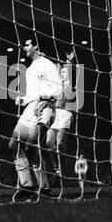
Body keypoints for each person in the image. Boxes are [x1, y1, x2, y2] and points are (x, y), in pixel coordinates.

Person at [8, 38, 62, 196]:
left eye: (27, 44)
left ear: (36, 46)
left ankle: (44, 187)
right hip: (31, 109)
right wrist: (22, 99)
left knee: (31, 146)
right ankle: (27, 185)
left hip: (45, 109)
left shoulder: (47, 64)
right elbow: (32, 95)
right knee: (13, 144)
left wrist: (45, 97)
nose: (24, 47)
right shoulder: (30, 68)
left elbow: (59, 90)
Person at [46, 53, 75, 184]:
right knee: (48, 143)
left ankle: (62, 170)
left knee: (60, 144)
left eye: (65, 72)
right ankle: (56, 169)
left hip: (65, 113)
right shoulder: (56, 84)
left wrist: (69, 61)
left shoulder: (69, 83)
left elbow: (69, 71)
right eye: (61, 72)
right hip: (54, 113)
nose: (62, 74)